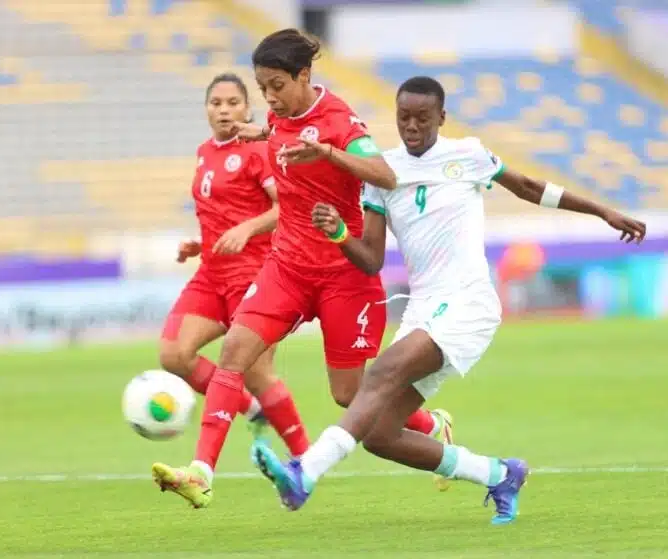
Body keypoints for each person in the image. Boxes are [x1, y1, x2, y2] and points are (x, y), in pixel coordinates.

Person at [253, 76, 648, 524]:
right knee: (381, 434)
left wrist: (602, 210)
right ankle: (500, 474)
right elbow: (370, 260)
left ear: (442, 117)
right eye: (404, 117)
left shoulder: (470, 155)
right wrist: (340, 234)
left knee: (380, 371)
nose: (413, 126)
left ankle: (304, 472)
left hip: (467, 302)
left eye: (423, 117)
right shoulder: (382, 174)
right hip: (426, 308)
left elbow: (530, 187)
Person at [152, 33, 451, 509]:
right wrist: (264, 132)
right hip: (287, 268)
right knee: (234, 354)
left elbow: (384, 173)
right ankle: (201, 473)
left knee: (349, 394)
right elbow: (288, 132)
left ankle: (431, 425)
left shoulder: (338, 119)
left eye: (276, 86)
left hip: (343, 275)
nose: (268, 97)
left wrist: (329, 152)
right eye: (262, 87)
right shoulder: (278, 114)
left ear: (304, 77)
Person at [154, 72, 312, 503]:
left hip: (256, 274)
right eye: (215, 103)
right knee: (173, 353)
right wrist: (199, 243)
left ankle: (306, 459)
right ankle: (250, 408)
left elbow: (287, 207)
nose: (223, 110)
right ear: (206, 109)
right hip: (211, 272)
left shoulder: (257, 150)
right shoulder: (205, 152)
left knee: (258, 372)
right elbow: (221, 210)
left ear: (248, 109)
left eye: (232, 102)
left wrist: (248, 228)